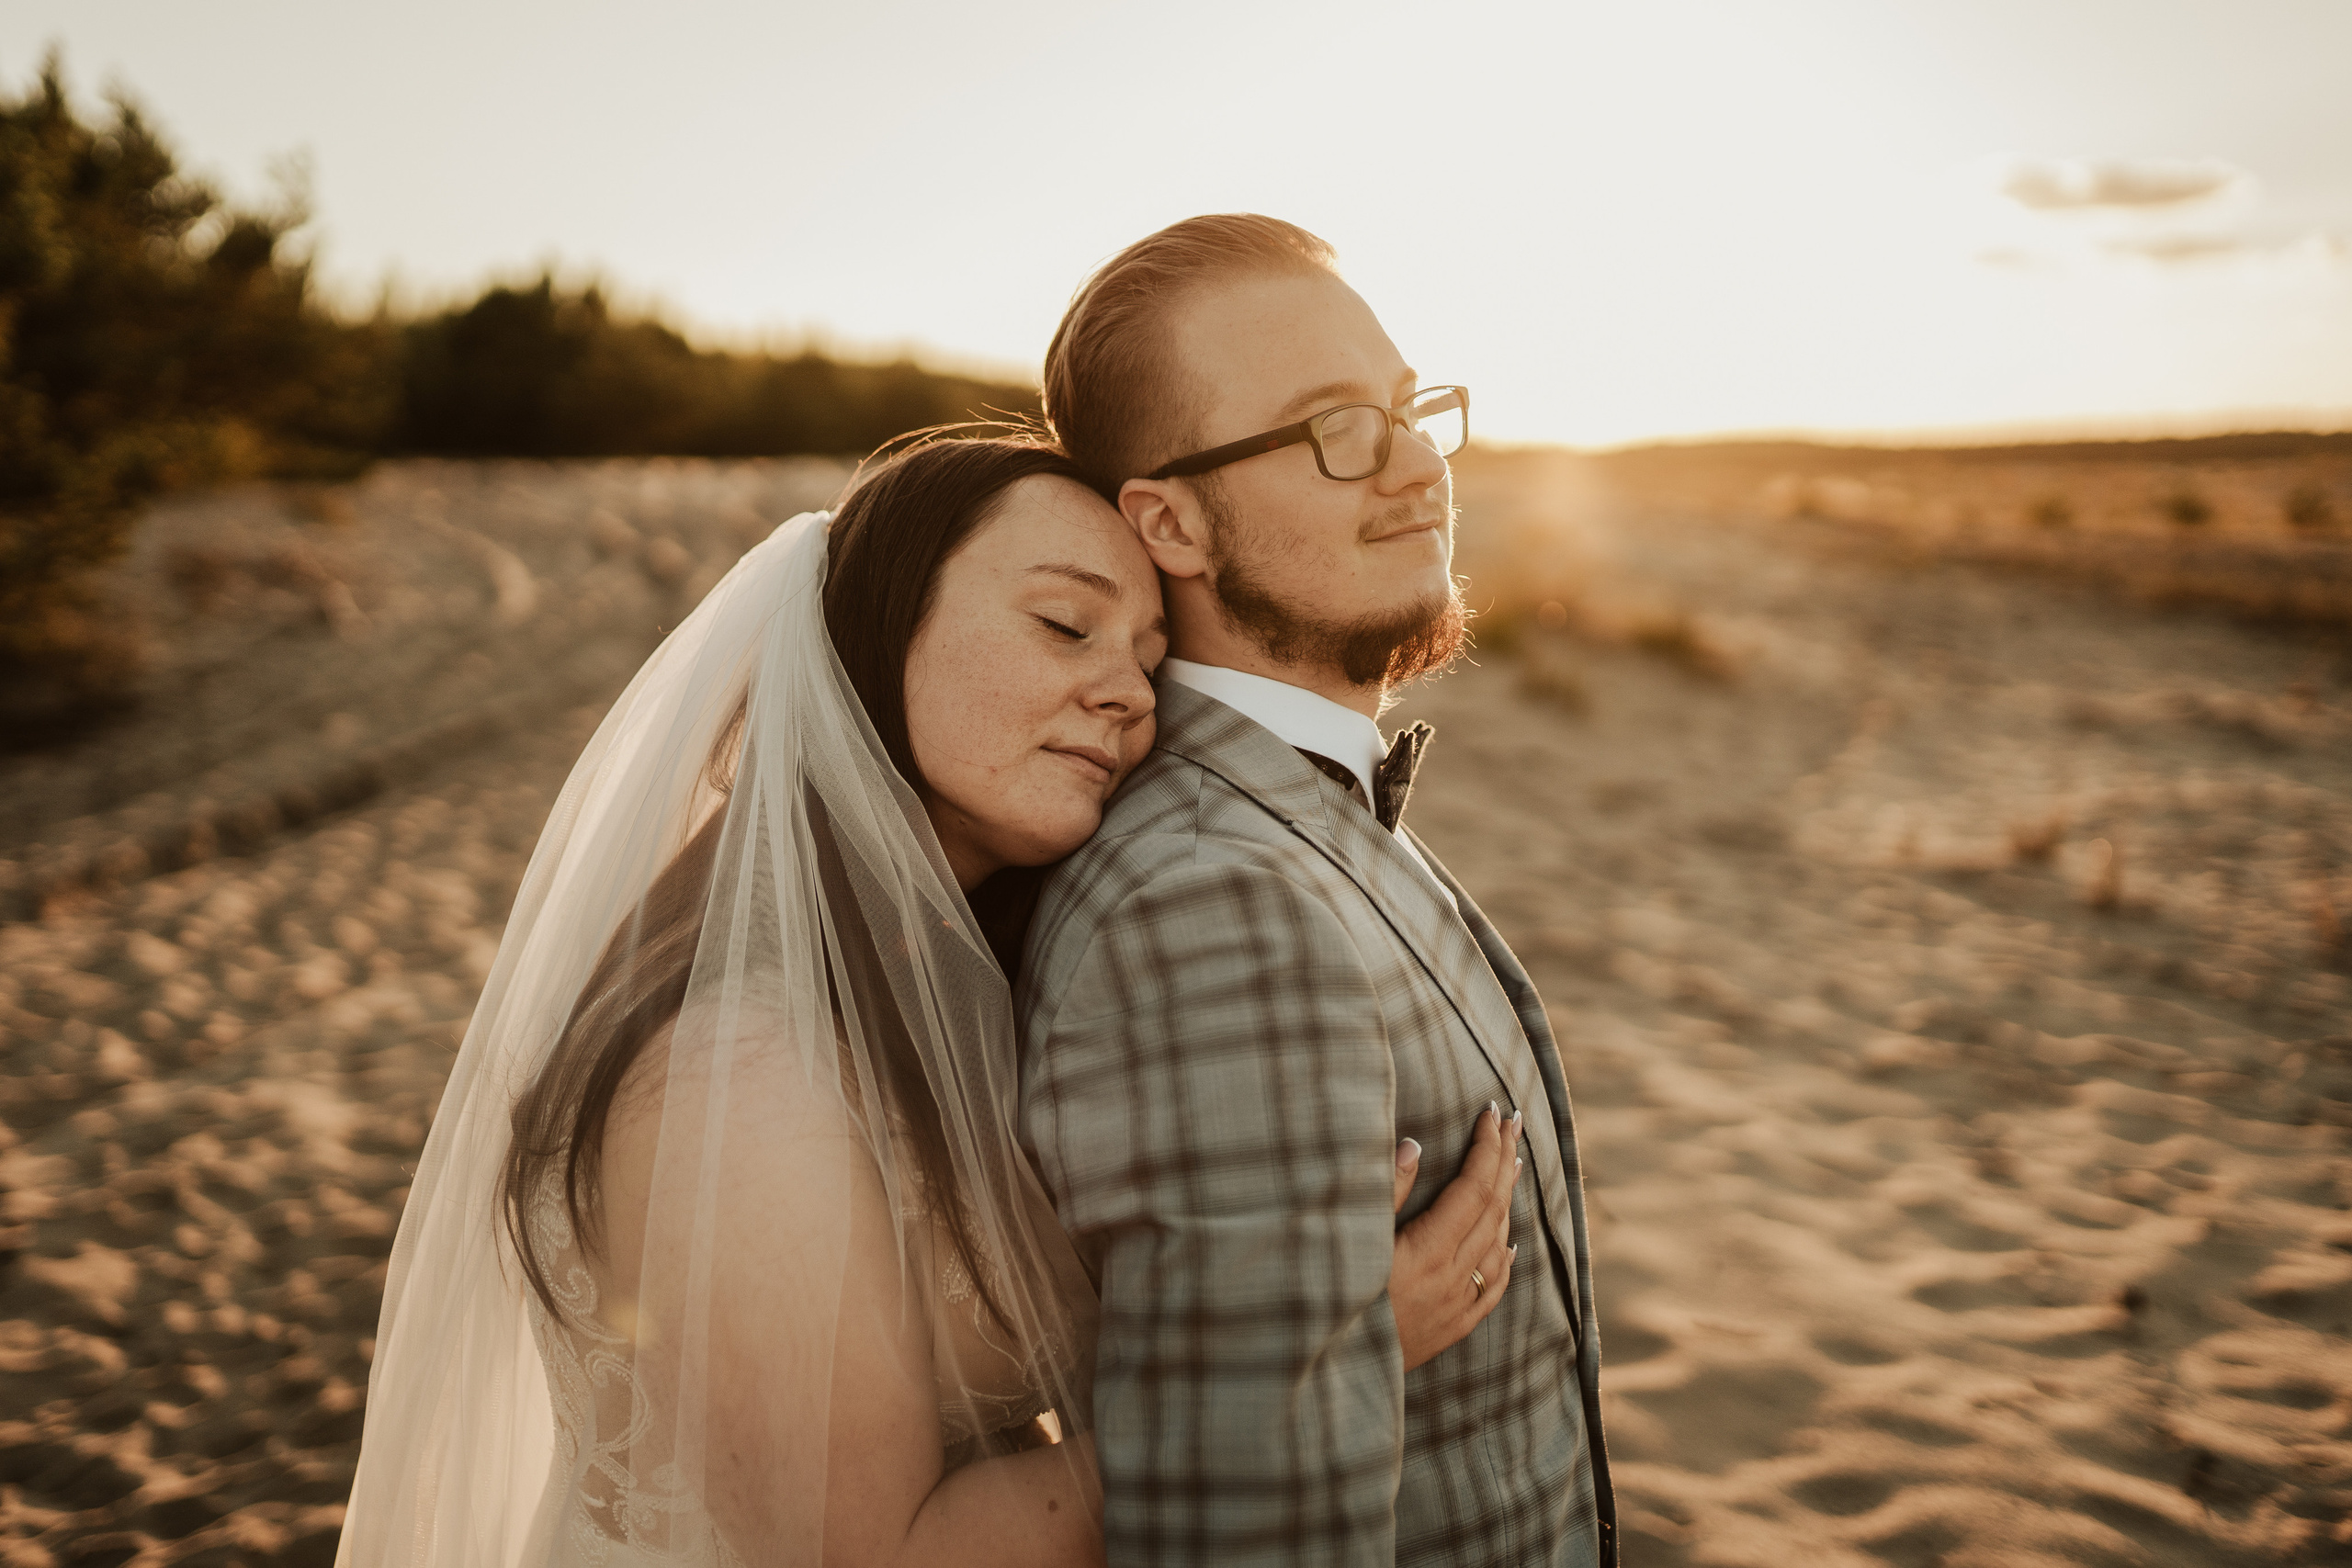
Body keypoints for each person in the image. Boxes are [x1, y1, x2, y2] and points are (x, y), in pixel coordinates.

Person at [335, 435, 1525, 1568]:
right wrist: (1319, 1356)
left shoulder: (942, 995)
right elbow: (886, 1556)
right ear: (879, 630)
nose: (1128, 694)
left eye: (1151, 660)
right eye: (1066, 625)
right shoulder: (735, 1082)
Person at [1020, 215, 1617, 1566]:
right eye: (1337, 426)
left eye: (1409, 408)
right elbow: (1248, 1537)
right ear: (1168, 519)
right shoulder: (1213, 905)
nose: (1413, 464)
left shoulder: (1289, 814)